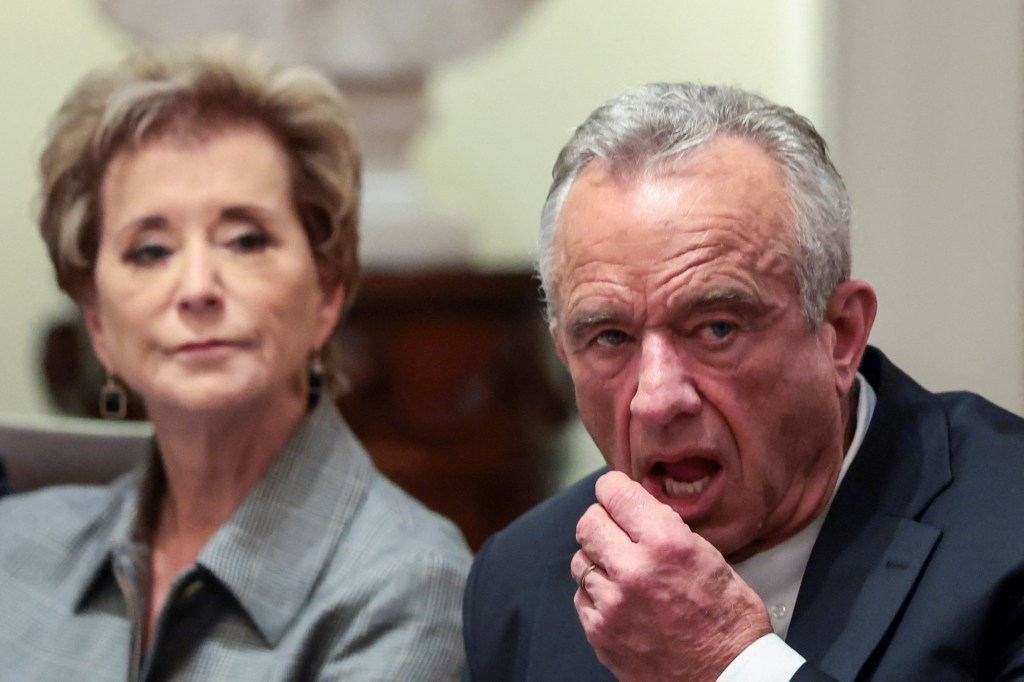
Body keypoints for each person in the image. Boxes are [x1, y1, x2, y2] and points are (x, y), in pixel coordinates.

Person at [462, 82, 1024, 681]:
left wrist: (729, 665)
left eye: (717, 329)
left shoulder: (1006, 526)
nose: (656, 399)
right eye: (610, 338)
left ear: (840, 333)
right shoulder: (522, 582)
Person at [0, 39, 470, 680]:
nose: (197, 288)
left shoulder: (407, 583)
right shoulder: (14, 547)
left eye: (245, 239)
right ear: (98, 325)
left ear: (327, 293)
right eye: (150, 249)